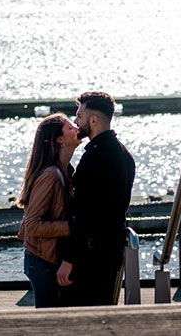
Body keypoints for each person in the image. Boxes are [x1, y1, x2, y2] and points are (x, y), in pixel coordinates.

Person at [56, 91, 135, 306]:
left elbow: (86, 214)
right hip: (109, 251)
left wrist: (69, 259)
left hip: (90, 257)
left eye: (79, 116)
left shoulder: (97, 156)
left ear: (94, 120)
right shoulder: (123, 154)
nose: (76, 121)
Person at [17, 113, 81, 308]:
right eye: (71, 128)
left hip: (47, 257)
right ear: (59, 140)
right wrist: (73, 227)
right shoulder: (51, 175)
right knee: (49, 320)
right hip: (43, 260)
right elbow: (32, 225)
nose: (77, 128)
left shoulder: (66, 171)